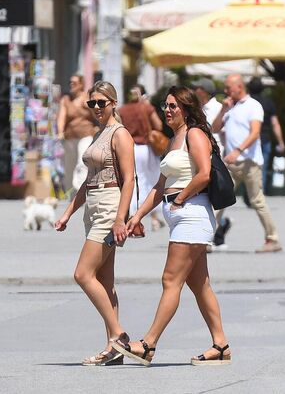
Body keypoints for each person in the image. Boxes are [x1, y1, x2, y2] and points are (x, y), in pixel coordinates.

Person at [116, 86, 231, 367]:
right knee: (199, 284)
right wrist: (138, 215)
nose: (166, 110)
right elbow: (159, 185)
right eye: (165, 106)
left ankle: (148, 343)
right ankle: (221, 344)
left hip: (192, 214)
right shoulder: (174, 138)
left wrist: (179, 198)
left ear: (187, 109)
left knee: (171, 280)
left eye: (173, 106)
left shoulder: (195, 134)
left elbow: (204, 174)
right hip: (180, 213)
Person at [54, 81, 137, 365]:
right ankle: (113, 349)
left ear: (114, 103)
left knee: (82, 274)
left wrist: (119, 219)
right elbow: (88, 181)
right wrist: (67, 213)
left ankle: (118, 335)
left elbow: (130, 180)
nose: (98, 108)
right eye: (93, 103)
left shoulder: (119, 134)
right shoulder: (98, 133)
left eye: (103, 102)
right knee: (105, 281)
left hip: (110, 207)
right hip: (94, 204)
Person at [211, 73, 282, 253]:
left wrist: (238, 150)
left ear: (239, 87)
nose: (226, 91)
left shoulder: (253, 106)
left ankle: (272, 239)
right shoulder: (230, 108)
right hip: (231, 163)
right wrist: (222, 110)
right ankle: (203, 239)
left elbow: (255, 132)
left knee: (257, 201)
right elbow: (215, 128)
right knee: (219, 200)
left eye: (228, 87)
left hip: (249, 162)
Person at [120, 84, 165, 231]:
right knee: (151, 181)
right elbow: (158, 125)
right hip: (146, 149)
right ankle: (153, 217)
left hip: (129, 148)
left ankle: (133, 215)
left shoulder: (122, 110)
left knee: (131, 181)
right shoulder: (146, 108)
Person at [57, 74, 96, 192]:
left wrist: (89, 106)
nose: (71, 85)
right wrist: (60, 132)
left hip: (85, 135)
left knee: (82, 162)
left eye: (74, 83)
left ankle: (80, 190)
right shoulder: (66, 99)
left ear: (81, 85)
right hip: (70, 137)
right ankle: (70, 192)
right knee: (69, 165)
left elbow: (97, 115)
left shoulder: (87, 98)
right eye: (70, 82)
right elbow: (61, 117)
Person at [248, 77, 285, 191]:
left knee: (247, 168)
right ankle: (259, 194)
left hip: (248, 140)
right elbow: (275, 124)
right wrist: (281, 142)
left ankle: (248, 194)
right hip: (265, 139)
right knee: (262, 168)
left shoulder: (246, 103)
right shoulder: (268, 103)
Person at [194, 78, 223, 152]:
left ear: (204, 92)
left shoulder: (218, 108)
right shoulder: (197, 108)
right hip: (201, 149)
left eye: (196, 88)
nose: (194, 91)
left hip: (216, 151)